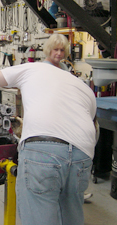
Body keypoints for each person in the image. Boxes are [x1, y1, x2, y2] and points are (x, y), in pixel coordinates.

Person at [0, 61, 97, 225]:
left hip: (43, 151)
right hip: (82, 153)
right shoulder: (83, 86)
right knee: (71, 214)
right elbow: (88, 121)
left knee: (39, 216)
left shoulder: (32, 68)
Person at [43, 33, 94, 202]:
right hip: (51, 119)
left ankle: (74, 192)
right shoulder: (43, 69)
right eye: (55, 50)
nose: (58, 53)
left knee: (71, 159)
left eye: (62, 50)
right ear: (48, 50)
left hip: (66, 117)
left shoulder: (64, 68)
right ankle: (54, 192)